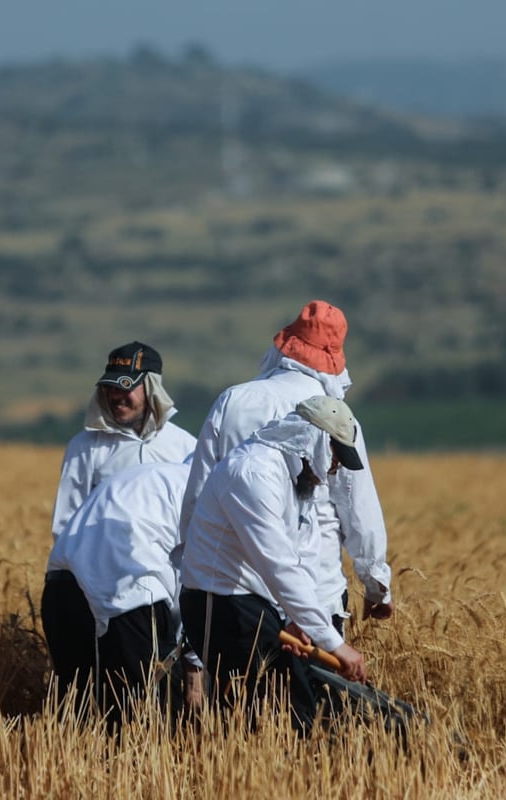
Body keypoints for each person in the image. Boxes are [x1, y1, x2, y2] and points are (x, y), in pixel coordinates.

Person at [179, 301, 393, 631]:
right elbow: (357, 506)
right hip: (316, 593)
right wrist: (376, 583)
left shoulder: (233, 401)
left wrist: (194, 572)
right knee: (313, 684)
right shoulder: (338, 417)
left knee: (239, 683)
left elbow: (198, 496)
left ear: (285, 348)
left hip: (236, 593)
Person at [178, 395, 368, 736]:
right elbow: (277, 562)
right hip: (218, 603)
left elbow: (301, 555)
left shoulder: (295, 479)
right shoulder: (253, 472)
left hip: (252, 603)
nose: (335, 467)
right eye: (336, 456)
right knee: (274, 711)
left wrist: (298, 620)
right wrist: (334, 644)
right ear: (314, 443)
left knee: (295, 706)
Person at [42, 460, 203, 724]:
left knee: (78, 712)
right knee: (151, 721)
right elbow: (197, 581)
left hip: (61, 583)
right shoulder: (207, 492)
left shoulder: (144, 475)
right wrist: (193, 666)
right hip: (131, 591)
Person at [52, 341, 196, 540]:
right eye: (111, 388)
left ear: (151, 387)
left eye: (125, 386)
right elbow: (66, 521)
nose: (116, 396)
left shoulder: (186, 447)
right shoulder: (86, 447)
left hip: (168, 568)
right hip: (103, 568)